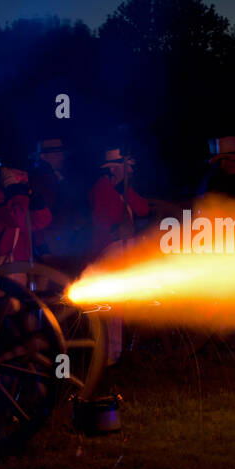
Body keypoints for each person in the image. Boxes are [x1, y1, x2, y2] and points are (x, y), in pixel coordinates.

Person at [89, 148, 150, 363]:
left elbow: (143, 209)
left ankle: (119, 350)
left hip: (126, 247)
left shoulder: (121, 188)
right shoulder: (101, 188)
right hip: (110, 248)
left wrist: (124, 191)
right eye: (128, 167)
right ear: (115, 168)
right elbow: (103, 220)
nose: (131, 171)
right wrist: (117, 227)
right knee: (114, 303)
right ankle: (111, 354)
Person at [0, 156, 51, 287]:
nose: (25, 179)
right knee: (5, 304)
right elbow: (16, 218)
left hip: (21, 263)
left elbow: (41, 221)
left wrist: (36, 201)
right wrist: (15, 189)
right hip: (1, 265)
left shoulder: (19, 198)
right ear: (6, 175)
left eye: (26, 175)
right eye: (20, 174)